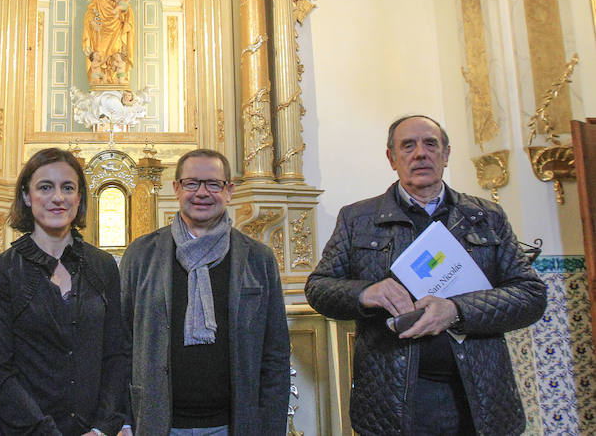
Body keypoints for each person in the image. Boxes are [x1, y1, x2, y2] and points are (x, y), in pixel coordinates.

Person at [305, 115, 547, 436]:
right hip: (393, 398)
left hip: (480, 395)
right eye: (408, 145)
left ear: (446, 154)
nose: (420, 153)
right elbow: (319, 289)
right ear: (392, 158)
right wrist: (366, 293)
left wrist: (457, 310)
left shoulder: (485, 217)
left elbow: (531, 295)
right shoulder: (358, 218)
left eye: (430, 144)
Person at [120, 149, 290, 435]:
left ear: (229, 191)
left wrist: (271, 426)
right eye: (191, 183)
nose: (202, 192)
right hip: (157, 422)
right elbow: (122, 344)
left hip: (233, 423)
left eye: (213, 184)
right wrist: (123, 420)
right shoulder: (142, 254)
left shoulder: (257, 258)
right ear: (176, 189)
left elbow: (275, 353)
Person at [0, 148, 127, 435]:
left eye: (68, 188)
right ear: (26, 196)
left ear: (79, 197)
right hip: (23, 430)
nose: (58, 198)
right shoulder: (3, 269)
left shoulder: (104, 266)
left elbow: (115, 355)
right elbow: (0, 369)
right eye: (45, 187)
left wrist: (102, 428)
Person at [82, 0, 135, 86]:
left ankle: (117, 79)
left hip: (116, 28)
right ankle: (100, 80)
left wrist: (122, 10)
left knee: (117, 54)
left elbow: (126, 9)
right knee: (100, 53)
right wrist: (92, 21)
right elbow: (90, 10)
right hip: (101, 29)